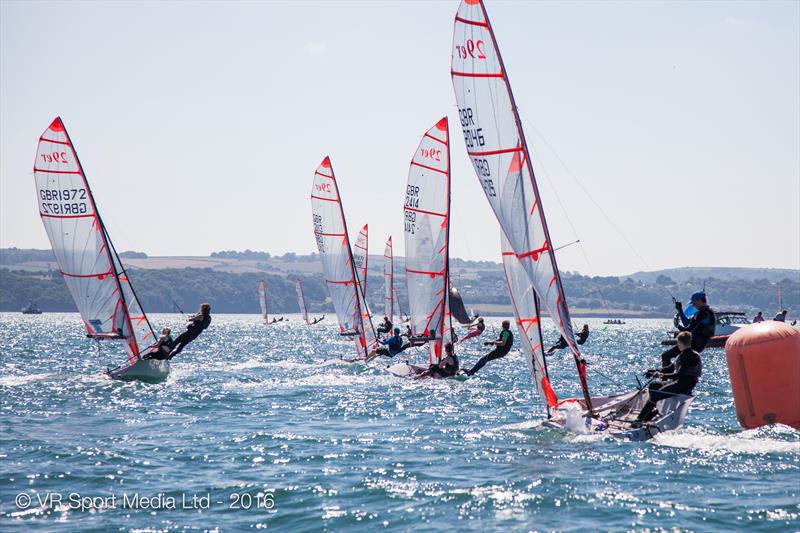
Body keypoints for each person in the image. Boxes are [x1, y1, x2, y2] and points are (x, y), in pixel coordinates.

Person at [634, 331, 702, 426]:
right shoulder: (684, 354)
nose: (677, 345)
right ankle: (652, 411)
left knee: (656, 395)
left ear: (680, 343)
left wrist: (660, 375)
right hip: (679, 382)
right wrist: (653, 372)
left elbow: (678, 375)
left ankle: (639, 420)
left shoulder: (689, 356)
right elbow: (670, 368)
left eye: (677, 343)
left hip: (683, 386)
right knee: (654, 386)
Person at [660, 292, 715, 367]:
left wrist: (678, 326)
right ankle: (669, 374)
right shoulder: (700, 313)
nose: (693, 305)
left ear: (699, 300)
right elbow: (687, 324)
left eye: (694, 302)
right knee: (669, 357)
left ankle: (666, 376)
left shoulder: (705, 313)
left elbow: (689, 329)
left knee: (666, 356)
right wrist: (680, 310)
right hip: (692, 343)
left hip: (695, 344)